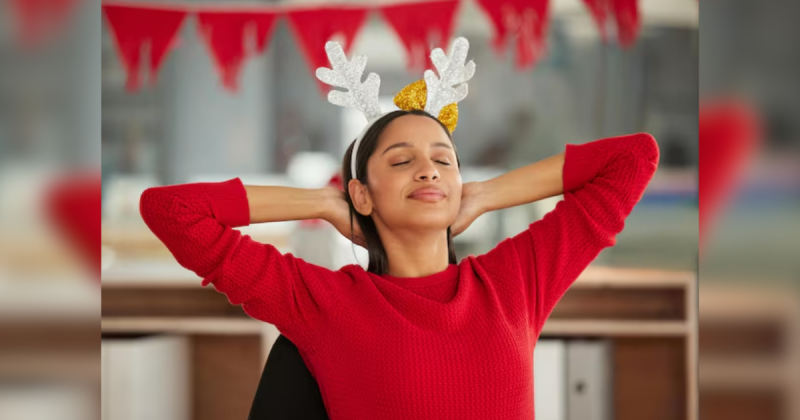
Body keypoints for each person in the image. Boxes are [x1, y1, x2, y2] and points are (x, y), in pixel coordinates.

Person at [139, 38, 659, 420]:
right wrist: (325, 201)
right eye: (401, 160)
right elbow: (171, 210)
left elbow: (633, 157)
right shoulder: (323, 302)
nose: (428, 169)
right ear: (362, 194)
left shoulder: (514, 282)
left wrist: (483, 193)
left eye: (442, 159)